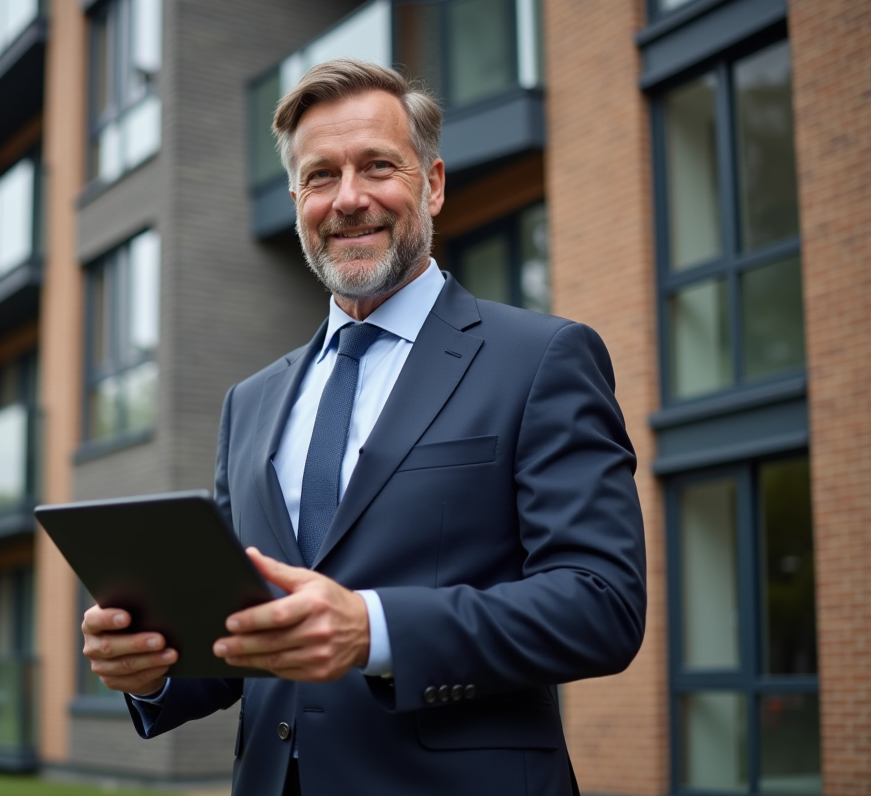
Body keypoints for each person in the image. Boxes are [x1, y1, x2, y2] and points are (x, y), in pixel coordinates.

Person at [81, 59, 646, 796]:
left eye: (378, 166)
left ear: (433, 183)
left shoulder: (541, 359)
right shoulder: (248, 403)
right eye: (321, 176)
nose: (348, 199)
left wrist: (375, 628)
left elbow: (599, 603)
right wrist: (154, 666)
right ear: (296, 201)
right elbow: (240, 631)